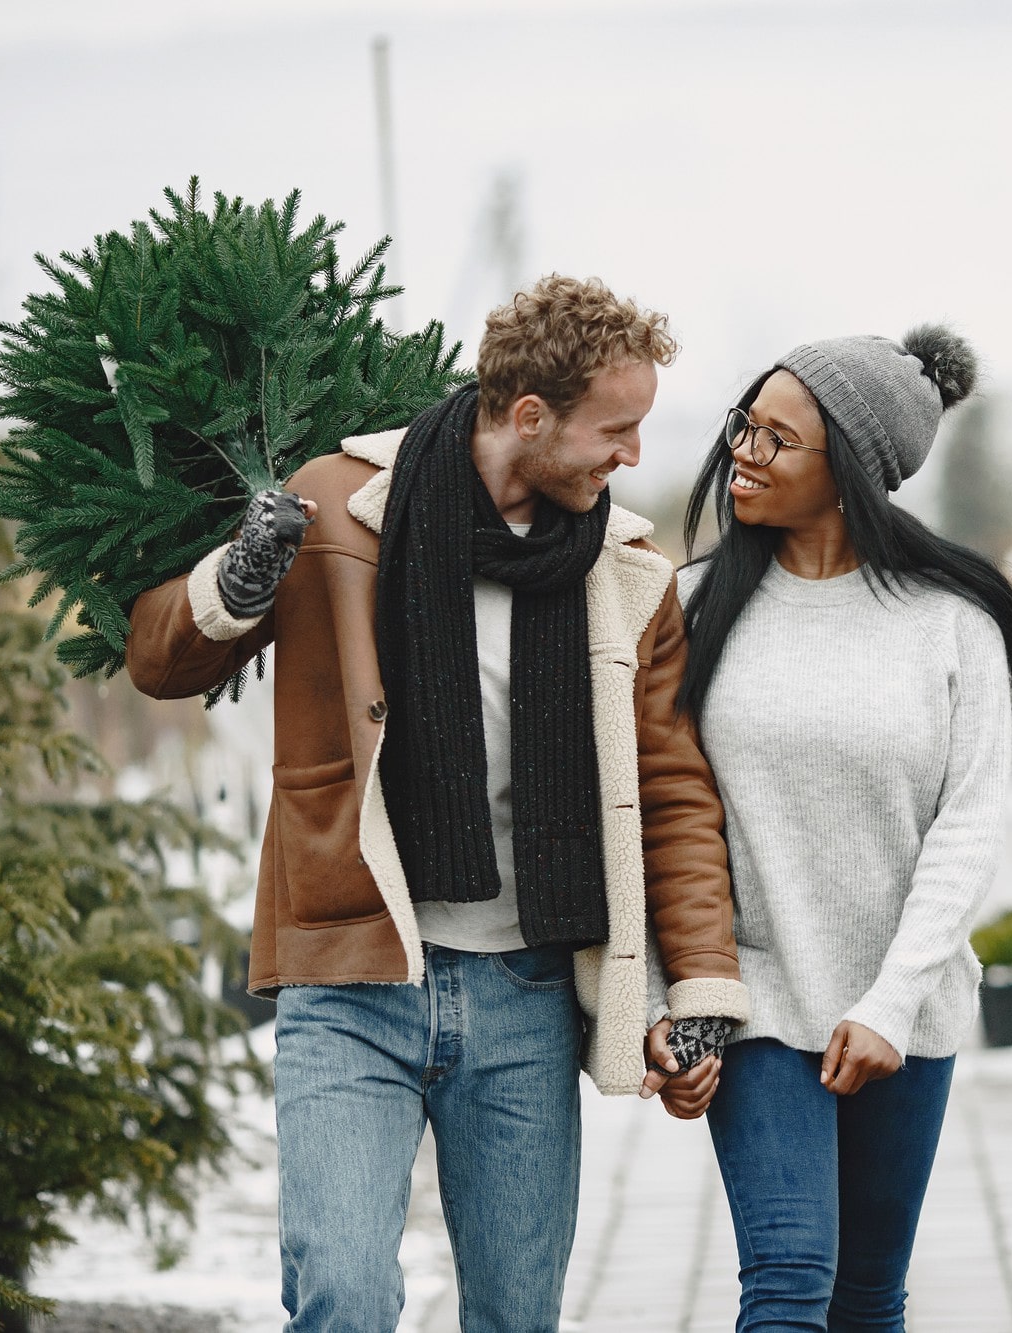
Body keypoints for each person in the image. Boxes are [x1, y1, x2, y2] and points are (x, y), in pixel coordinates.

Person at [125, 274, 750, 1333]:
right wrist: (235, 579)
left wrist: (699, 990)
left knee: (514, 1314)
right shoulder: (340, 505)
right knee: (342, 1295)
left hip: (529, 992)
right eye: (617, 428)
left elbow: (672, 789)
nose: (632, 456)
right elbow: (156, 660)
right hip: (351, 972)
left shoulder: (622, 570)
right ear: (528, 417)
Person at [677, 326, 1012, 1331]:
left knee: (865, 1301)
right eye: (744, 423)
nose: (744, 450)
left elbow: (967, 827)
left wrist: (890, 1000)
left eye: (777, 438)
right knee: (790, 1281)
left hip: (905, 1007)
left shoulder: (948, 622)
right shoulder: (689, 608)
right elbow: (663, 815)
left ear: (849, 471)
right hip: (757, 1000)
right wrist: (679, 991)